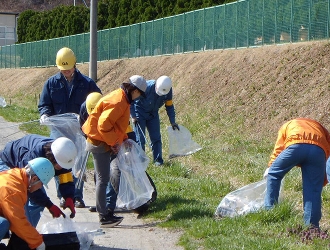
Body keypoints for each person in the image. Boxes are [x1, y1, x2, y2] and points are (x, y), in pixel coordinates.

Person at [38, 47, 102, 208]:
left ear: (75, 65)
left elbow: (99, 103)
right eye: (62, 69)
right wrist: (45, 115)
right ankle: (63, 195)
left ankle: (77, 196)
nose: (65, 72)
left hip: (79, 130)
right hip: (58, 130)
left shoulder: (87, 84)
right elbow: (44, 104)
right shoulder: (51, 83)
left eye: (68, 69)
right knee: (59, 162)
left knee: (78, 163)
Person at [82, 75, 147, 227]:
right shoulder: (119, 101)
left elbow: (118, 125)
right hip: (99, 142)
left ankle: (106, 213)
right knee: (103, 179)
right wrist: (114, 143)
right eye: (140, 94)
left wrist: (123, 139)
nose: (139, 98)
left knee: (103, 178)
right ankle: (104, 216)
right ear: (135, 90)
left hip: (102, 140)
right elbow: (103, 126)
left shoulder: (123, 98)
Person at [263, 118, 330, 228]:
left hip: (296, 145)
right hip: (318, 150)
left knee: (274, 173)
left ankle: (269, 212)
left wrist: (271, 166)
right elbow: (328, 152)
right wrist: (322, 179)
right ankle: (312, 228)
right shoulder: (321, 128)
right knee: (313, 190)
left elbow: (279, 148)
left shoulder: (287, 125)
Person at [0, 134, 77, 227]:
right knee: (18, 199)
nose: (61, 168)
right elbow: (30, 186)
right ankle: (21, 233)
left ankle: (27, 233)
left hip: (23, 167)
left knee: (37, 204)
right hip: (8, 163)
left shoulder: (62, 154)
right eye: (60, 165)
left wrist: (69, 197)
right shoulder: (33, 156)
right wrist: (49, 205)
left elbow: (66, 176)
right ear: (52, 157)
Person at [80, 92, 137, 213]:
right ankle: (102, 205)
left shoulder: (113, 109)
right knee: (100, 175)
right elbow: (86, 129)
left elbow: (124, 129)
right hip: (101, 144)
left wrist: (122, 143)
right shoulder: (84, 110)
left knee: (111, 173)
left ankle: (109, 205)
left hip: (117, 143)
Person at [0, 157, 55, 250]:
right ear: (34, 179)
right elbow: (17, 221)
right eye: (41, 184)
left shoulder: (16, 177)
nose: (40, 187)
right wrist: (38, 242)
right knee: (3, 223)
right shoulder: (13, 189)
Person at [130, 75, 179, 166]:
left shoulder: (167, 90)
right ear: (156, 86)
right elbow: (131, 101)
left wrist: (173, 121)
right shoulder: (146, 87)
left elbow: (169, 105)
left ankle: (158, 161)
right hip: (139, 113)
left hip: (153, 114)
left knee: (156, 138)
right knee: (140, 139)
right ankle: (140, 162)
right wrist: (133, 116)